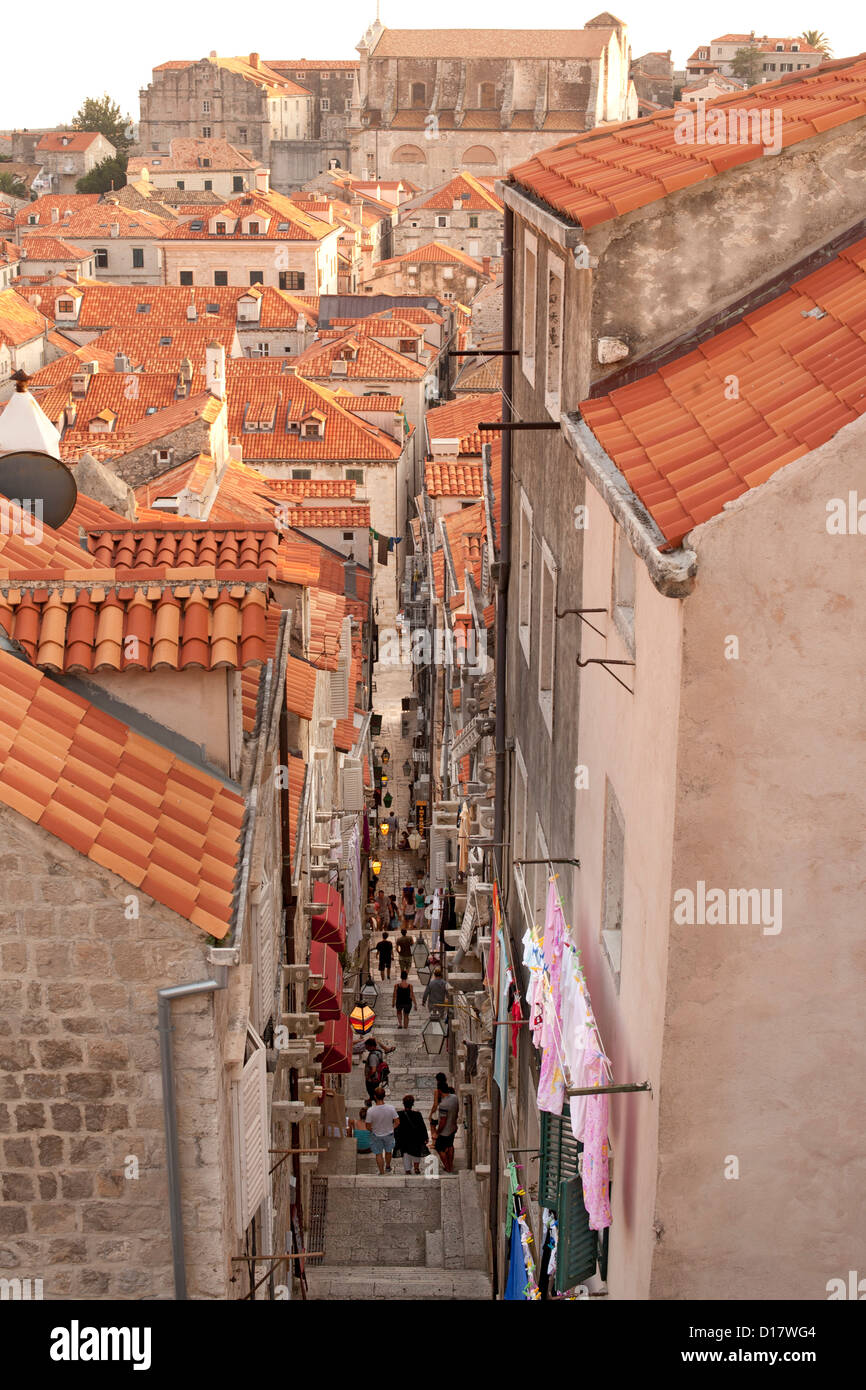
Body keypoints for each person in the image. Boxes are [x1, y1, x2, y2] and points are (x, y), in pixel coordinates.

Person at [366, 1086, 399, 1175]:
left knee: (378, 1154)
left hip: (376, 1134)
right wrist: (391, 1128)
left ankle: (381, 1172)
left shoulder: (370, 1111)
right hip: (389, 1134)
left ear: (375, 1097)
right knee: (388, 1151)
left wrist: (373, 1130)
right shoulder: (391, 1108)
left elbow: (368, 1126)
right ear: (384, 1096)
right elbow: (397, 1122)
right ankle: (388, 1166)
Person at [395, 1095, 429, 1175]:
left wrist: (396, 1137)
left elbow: (396, 1127)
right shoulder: (418, 1114)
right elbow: (422, 1127)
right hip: (416, 1138)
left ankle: (407, 1170)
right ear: (412, 1104)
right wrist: (425, 1137)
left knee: (406, 1153)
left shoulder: (399, 1114)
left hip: (404, 1138)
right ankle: (416, 1168)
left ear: (403, 1103)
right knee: (416, 1152)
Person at [431, 1079, 459, 1173]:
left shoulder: (443, 1105)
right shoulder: (455, 1098)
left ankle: (447, 1167)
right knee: (450, 1145)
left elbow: (443, 1121)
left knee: (440, 1148)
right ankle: (451, 1165)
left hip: (445, 1132)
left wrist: (437, 1132)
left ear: (439, 1091)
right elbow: (457, 1111)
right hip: (453, 1128)